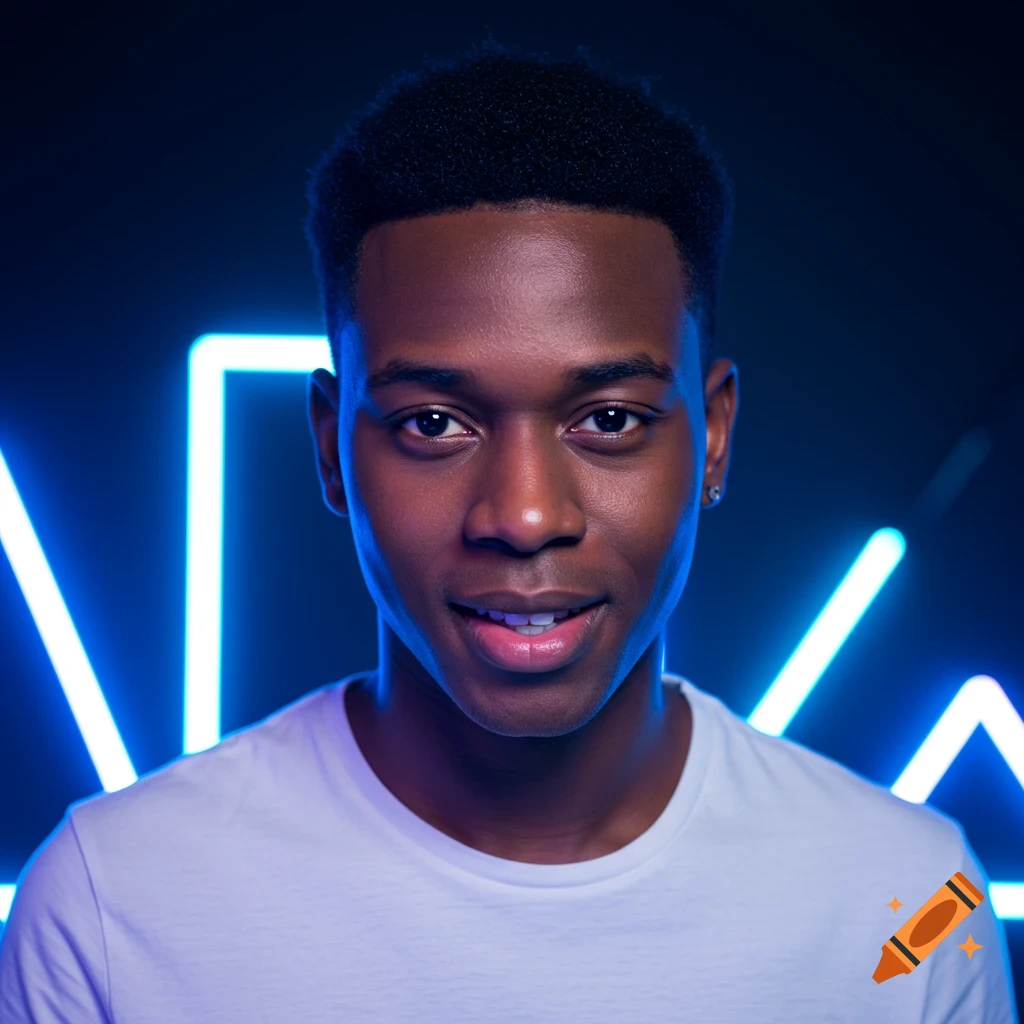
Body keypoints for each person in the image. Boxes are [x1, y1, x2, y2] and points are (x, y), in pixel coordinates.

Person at [0, 39, 1017, 1024]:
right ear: (328, 449)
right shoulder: (110, 906)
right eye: (433, 423)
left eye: (609, 419)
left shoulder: (913, 904)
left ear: (711, 439)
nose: (525, 516)